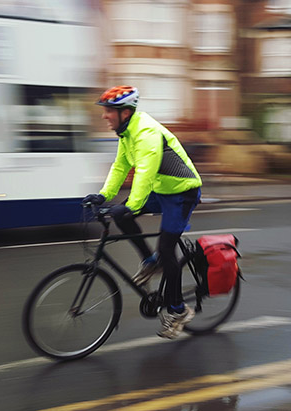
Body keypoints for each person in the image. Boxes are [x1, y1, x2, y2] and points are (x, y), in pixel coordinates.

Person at [83, 85, 202, 339]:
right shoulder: (127, 134)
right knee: (119, 214)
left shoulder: (146, 133)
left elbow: (145, 173)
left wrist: (132, 205)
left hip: (182, 193)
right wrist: (103, 195)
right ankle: (151, 262)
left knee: (167, 247)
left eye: (108, 111)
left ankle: (179, 310)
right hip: (162, 190)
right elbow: (120, 167)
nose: (104, 116)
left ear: (125, 113)